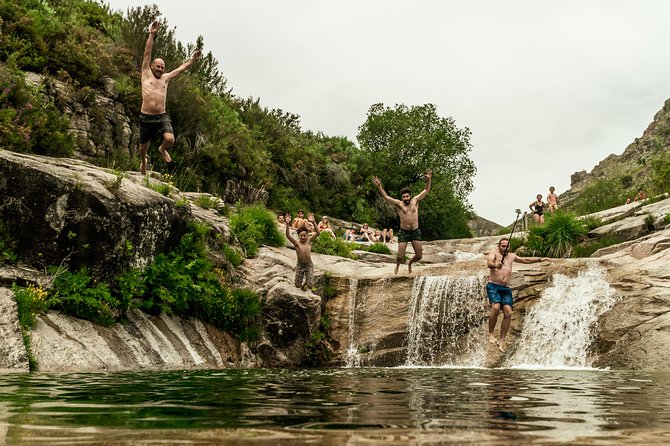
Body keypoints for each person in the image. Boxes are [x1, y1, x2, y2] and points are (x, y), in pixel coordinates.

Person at [140, 20, 201, 175]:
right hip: (146, 117)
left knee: (170, 139)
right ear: (152, 66)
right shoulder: (146, 73)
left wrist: (192, 61)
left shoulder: (165, 78)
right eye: (158, 66)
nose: (160, 69)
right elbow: (147, 53)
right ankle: (143, 162)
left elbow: (180, 69)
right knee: (143, 147)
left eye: (162, 67)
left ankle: (162, 149)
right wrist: (152, 35)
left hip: (161, 116)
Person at [487, 238, 550, 353]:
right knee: (495, 307)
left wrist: (540, 259)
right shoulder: (493, 253)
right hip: (493, 286)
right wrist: (496, 265)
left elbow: (526, 260)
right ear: (499, 246)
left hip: (505, 288)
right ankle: (491, 334)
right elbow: (489, 263)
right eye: (503, 246)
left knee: (509, 312)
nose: (505, 248)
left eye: (507, 246)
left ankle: (501, 340)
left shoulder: (511, 256)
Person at [373, 169, 432, 274]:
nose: (405, 198)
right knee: (400, 256)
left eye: (407, 196)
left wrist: (428, 179)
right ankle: (398, 265)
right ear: (402, 197)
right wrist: (379, 186)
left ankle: (410, 263)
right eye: (404, 197)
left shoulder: (415, 201)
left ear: (410, 196)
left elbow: (426, 190)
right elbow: (386, 197)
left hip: (415, 231)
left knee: (419, 256)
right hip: (404, 232)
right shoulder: (399, 204)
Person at [284, 212, 320, 291]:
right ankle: (302, 283)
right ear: (298, 236)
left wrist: (313, 222)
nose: (303, 237)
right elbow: (287, 235)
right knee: (297, 285)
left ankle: (307, 282)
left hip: (309, 265)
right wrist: (287, 224)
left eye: (304, 235)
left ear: (307, 235)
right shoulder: (296, 243)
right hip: (300, 265)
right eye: (301, 236)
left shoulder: (309, 241)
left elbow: (318, 232)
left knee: (310, 286)